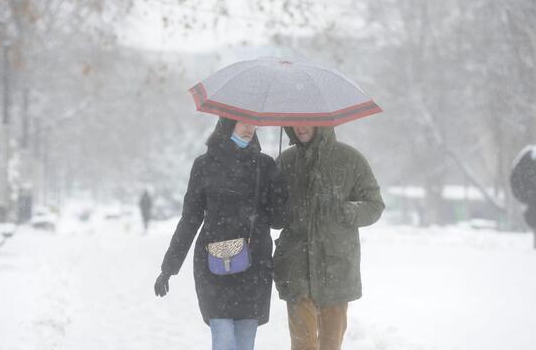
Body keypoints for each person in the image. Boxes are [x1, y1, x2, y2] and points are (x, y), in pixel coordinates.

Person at [154, 117, 287, 350]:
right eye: (242, 122)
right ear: (227, 125)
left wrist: (279, 189)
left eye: (252, 122)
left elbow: (278, 220)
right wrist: (168, 268)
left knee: (245, 343)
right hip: (215, 262)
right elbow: (190, 218)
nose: (249, 128)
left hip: (254, 266)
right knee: (224, 341)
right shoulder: (204, 165)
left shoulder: (265, 165)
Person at [273, 126, 385, 350]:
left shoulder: (349, 159)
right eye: (296, 120)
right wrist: (277, 208)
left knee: (331, 345)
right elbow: (273, 217)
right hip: (296, 267)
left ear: (321, 122)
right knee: (303, 345)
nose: (300, 126)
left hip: (335, 268)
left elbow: (375, 205)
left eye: (307, 120)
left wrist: (344, 211)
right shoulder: (285, 161)